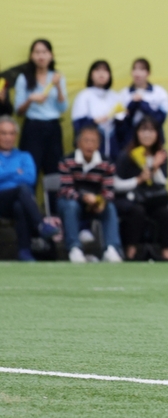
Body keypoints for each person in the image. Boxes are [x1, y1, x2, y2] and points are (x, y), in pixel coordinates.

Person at [14, 39, 67, 211]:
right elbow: (18, 110)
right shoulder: (24, 78)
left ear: (51, 55)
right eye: (37, 52)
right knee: (31, 172)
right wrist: (30, 99)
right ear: (31, 56)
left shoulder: (57, 77)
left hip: (52, 128)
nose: (41, 56)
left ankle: (54, 218)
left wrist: (58, 87)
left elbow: (62, 107)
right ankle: (31, 218)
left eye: (44, 52)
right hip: (33, 128)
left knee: (54, 173)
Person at [57, 124, 123, 263]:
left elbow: (109, 191)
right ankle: (74, 248)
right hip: (72, 202)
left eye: (93, 141)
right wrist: (83, 198)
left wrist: (100, 201)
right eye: (86, 140)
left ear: (99, 144)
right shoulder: (67, 161)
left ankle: (111, 249)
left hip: (95, 203)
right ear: (78, 143)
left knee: (110, 207)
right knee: (70, 206)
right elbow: (66, 189)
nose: (90, 145)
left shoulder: (107, 163)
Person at [113, 116, 168, 261]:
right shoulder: (126, 155)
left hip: (152, 198)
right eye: (143, 130)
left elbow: (163, 181)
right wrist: (138, 180)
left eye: (152, 131)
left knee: (164, 212)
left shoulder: (161, 155)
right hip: (131, 198)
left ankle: (166, 250)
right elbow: (115, 184)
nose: (147, 135)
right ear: (136, 133)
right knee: (137, 211)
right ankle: (131, 249)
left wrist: (156, 166)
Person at [0, 115, 61, 261]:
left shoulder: (24, 156)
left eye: (11, 133)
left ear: (16, 136)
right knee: (22, 189)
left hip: (16, 200)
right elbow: (23, 179)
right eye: (3, 133)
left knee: (19, 205)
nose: (8, 137)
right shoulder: (22, 161)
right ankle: (40, 225)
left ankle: (24, 251)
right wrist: (16, 172)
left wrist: (5, 174)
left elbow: (31, 178)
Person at [71, 60, 121, 161]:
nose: (101, 74)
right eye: (97, 70)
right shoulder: (84, 96)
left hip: (113, 145)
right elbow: (78, 125)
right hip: (92, 146)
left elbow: (123, 127)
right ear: (91, 74)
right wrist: (95, 122)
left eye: (105, 70)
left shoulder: (115, 96)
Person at [116, 58, 168, 148]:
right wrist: (132, 104)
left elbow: (161, 119)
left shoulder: (160, 92)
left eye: (142, 69)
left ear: (148, 73)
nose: (137, 73)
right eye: (135, 69)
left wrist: (142, 104)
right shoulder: (123, 94)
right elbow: (120, 122)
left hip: (153, 141)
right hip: (130, 142)